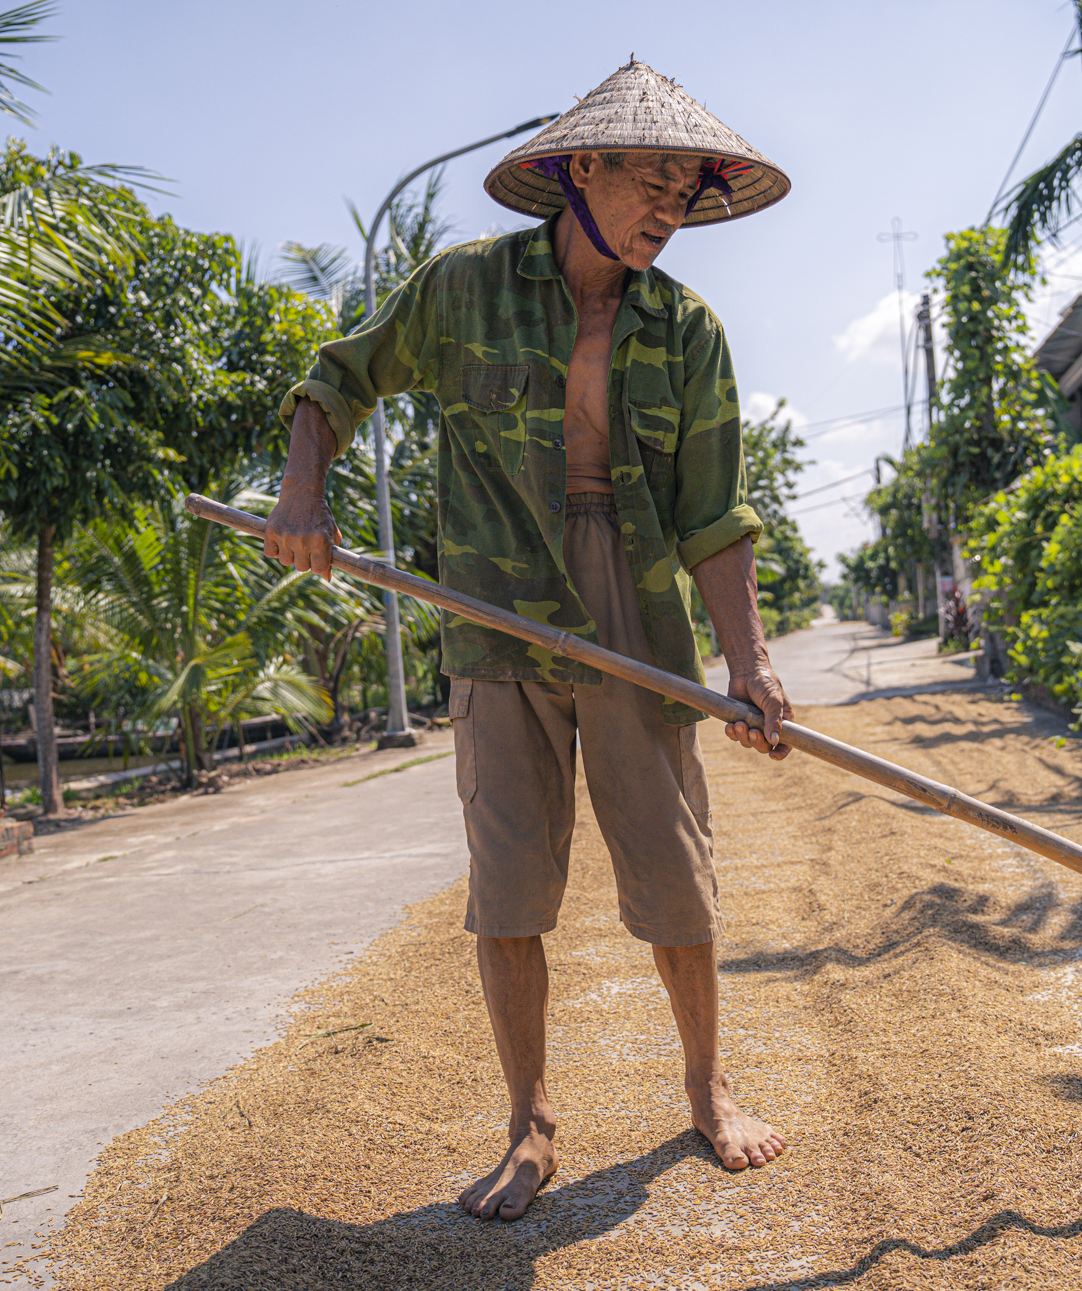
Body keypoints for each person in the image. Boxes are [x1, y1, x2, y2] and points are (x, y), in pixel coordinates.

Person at [262, 59, 794, 1222]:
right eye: (650, 182)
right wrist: (302, 493)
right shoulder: (461, 291)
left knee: (675, 877)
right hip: (496, 608)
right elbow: (336, 380)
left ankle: (706, 1087)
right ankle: (530, 1123)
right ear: (580, 168)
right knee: (507, 889)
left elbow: (713, 516)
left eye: (686, 192)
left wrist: (748, 658)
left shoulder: (686, 331)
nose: (669, 209)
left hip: (634, 609)